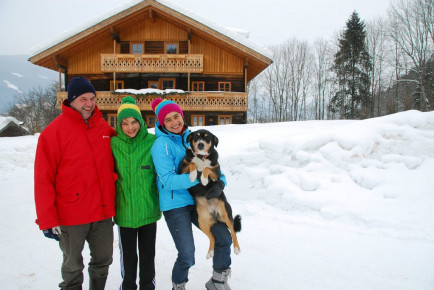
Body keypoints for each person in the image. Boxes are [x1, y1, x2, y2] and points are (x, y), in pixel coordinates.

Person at [34, 76, 116, 290]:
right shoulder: (53, 133)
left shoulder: (103, 127)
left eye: (92, 98)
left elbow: (125, 152)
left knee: (103, 261)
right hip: (71, 215)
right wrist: (47, 219)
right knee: (72, 266)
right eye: (83, 99)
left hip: (102, 212)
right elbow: (43, 179)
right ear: (71, 101)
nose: (89, 103)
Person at [150, 98, 233, 290]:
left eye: (176, 116)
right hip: (175, 205)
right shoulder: (161, 145)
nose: (174, 122)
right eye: (168, 119)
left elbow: (214, 165)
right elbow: (168, 180)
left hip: (198, 201)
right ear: (162, 123)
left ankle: (218, 281)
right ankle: (178, 284)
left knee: (223, 238)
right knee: (187, 254)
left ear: (182, 115)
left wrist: (220, 183)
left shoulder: (192, 137)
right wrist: (198, 178)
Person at [111, 96, 161, 290]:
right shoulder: (114, 144)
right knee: (129, 257)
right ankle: (128, 286)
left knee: (148, 254)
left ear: (140, 121)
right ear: (119, 124)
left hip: (148, 209)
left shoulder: (153, 142)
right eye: (125, 123)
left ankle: (148, 286)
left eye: (134, 122)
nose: (130, 127)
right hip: (125, 212)